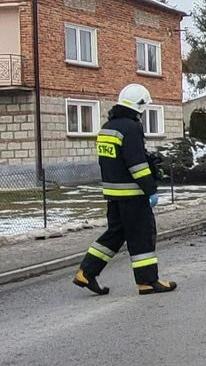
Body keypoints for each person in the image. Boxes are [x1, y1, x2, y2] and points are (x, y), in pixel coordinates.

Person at [73, 84, 177, 296]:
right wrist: (150, 189)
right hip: (133, 195)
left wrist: (147, 158)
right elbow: (135, 164)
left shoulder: (107, 127)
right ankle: (148, 282)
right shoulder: (132, 127)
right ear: (138, 106)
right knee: (142, 236)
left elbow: (115, 161)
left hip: (113, 194)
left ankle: (86, 272)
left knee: (115, 234)